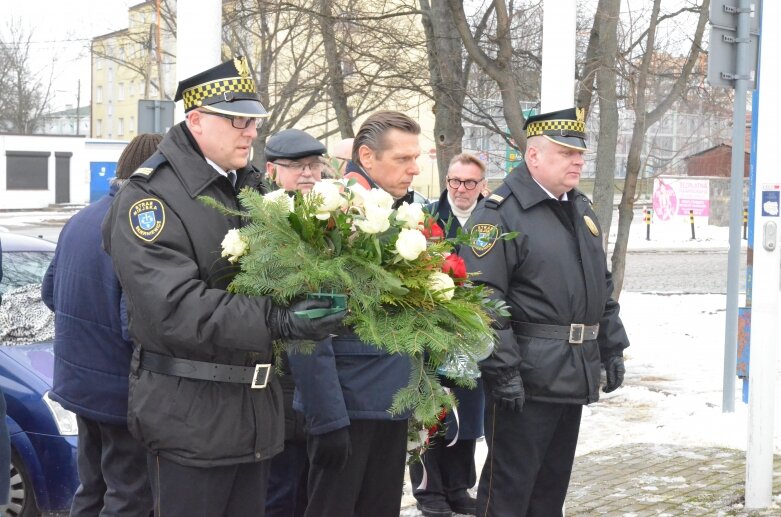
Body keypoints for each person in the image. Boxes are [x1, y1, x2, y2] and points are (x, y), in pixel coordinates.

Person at [100, 57, 345, 517]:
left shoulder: (246, 187)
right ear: (196, 121)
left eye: (253, 121)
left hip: (253, 415)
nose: (251, 132)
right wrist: (277, 319)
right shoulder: (150, 199)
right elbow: (172, 308)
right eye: (238, 120)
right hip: (190, 418)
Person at [461, 107, 629, 517]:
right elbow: (481, 296)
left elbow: (599, 286)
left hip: (571, 371)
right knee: (508, 492)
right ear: (532, 156)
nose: (577, 160)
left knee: (549, 492)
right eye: (564, 152)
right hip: (526, 375)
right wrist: (502, 369)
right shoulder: (500, 213)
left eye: (579, 154)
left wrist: (611, 345)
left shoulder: (580, 210)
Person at [288, 111, 421, 517]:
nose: (414, 169)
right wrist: (327, 419)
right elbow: (309, 325)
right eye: (402, 159)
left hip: (384, 400)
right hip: (348, 407)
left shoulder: (389, 210)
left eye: (416, 159)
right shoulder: (334, 215)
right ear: (366, 155)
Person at [41, 133, 162, 516]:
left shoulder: (79, 219)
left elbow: (50, 293)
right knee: (129, 494)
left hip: (79, 385)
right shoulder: (141, 225)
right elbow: (138, 322)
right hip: (120, 389)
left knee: (91, 488)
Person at [410, 152, 487, 517]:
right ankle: (430, 493)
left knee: (466, 412)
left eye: (470, 182)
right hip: (432, 329)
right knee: (431, 412)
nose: (461, 189)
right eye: (455, 181)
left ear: (482, 185)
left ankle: (458, 487)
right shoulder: (427, 218)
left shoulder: (494, 218)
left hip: (472, 331)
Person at [263, 128, 328, 517]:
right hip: (282, 379)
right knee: (280, 493)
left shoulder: (330, 218)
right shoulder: (262, 224)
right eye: (296, 166)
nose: (308, 174)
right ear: (272, 170)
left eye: (314, 165)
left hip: (321, 381)